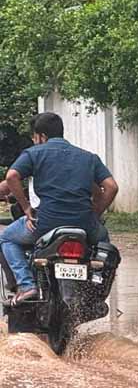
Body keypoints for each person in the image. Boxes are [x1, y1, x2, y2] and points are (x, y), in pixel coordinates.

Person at [3, 112, 118, 304]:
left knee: (6, 238)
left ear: (41, 136)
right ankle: (96, 288)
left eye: (34, 137)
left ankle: (27, 285)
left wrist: (26, 208)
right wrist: (95, 213)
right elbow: (112, 187)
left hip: (44, 223)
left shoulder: (34, 154)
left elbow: (11, 177)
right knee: (104, 244)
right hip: (84, 224)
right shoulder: (88, 157)